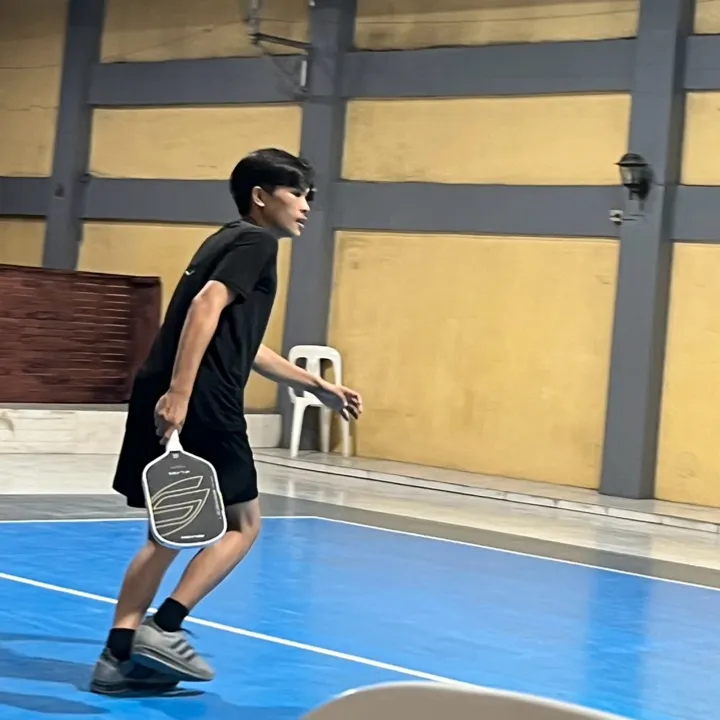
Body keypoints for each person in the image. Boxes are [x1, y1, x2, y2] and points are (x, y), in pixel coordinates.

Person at [89, 148, 363, 695]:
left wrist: (317, 385)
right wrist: (182, 393)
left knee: (167, 532)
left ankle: (116, 660)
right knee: (244, 525)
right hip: (203, 400)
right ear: (260, 197)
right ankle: (165, 628)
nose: (306, 206)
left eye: (309, 195)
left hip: (163, 389)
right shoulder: (258, 243)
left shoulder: (222, 241)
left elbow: (243, 343)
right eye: (296, 193)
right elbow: (205, 308)